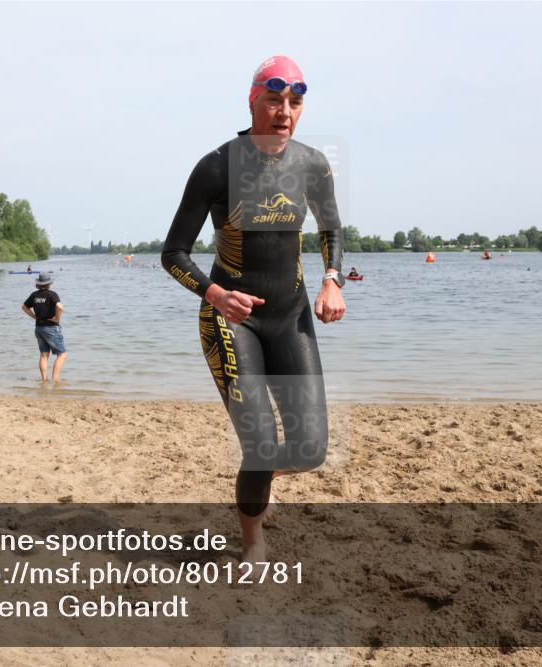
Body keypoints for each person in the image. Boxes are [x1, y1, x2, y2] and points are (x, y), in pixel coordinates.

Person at [162, 55, 345, 562]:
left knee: (310, 451)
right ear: (253, 99)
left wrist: (332, 281)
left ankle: (258, 477)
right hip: (230, 318)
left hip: (292, 316)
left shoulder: (312, 164)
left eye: (295, 102)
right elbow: (172, 254)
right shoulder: (216, 166)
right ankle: (253, 542)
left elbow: (331, 228)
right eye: (274, 99)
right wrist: (216, 294)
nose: (285, 111)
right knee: (261, 447)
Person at [21, 272, 67, 383]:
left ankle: (44, 380)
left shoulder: (34, 295)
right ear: (49, 283)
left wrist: (34, 316)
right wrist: (57, 319)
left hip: (39, 328)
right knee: (62, 354)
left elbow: (24, 307)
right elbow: (60, 307)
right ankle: (55, 379)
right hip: (50, 327)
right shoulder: (52, 294)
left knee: (44, 355)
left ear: (39, 283)